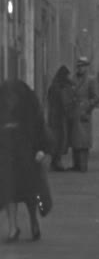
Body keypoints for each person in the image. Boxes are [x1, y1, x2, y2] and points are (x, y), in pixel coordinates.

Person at [0, 80, 52, 242]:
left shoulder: (21, 107)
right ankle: (22, 226)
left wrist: (41, 149)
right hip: (16, 157)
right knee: (18, 192)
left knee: (18, 193)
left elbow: (40, 130)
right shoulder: (26, 106)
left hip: (18, 156)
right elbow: (40, 129)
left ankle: (22, 225)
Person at [68, 57, 99, 172]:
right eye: (78, 66)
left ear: (86, 67)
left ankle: (83, 165)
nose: (79, 68)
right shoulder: (73, 79)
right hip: (74, 112)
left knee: (83, 141)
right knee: (74, 141)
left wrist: (87, 105)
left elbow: (97, 98)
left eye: (82, 66)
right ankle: (76, 164)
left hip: (84, 113)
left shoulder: (91, 80)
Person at [47, 66, 74, 171]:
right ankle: (56, 162)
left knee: (59, 139)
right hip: (57, 116)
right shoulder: (58, 87)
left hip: (56, 116)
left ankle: (56, 161)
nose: (68, 77)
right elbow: (62, 101)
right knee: (59, 139)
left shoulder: (55, 85)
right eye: (67, 75)